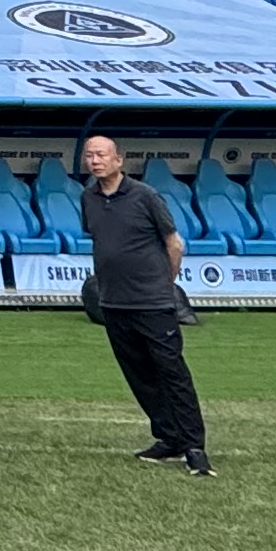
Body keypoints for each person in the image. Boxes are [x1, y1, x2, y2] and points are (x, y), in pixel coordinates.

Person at [80, 133, 209, 476]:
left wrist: (166, 282)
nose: (95, 161)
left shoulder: (146, 196)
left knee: (172, 372)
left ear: (118, 160)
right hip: (112, 303)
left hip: (152, 303)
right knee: (140, 376)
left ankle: (194, 446)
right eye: (90, 155)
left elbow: (174, 243)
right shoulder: (88, 198)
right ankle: (169, 438)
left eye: (102, 155)